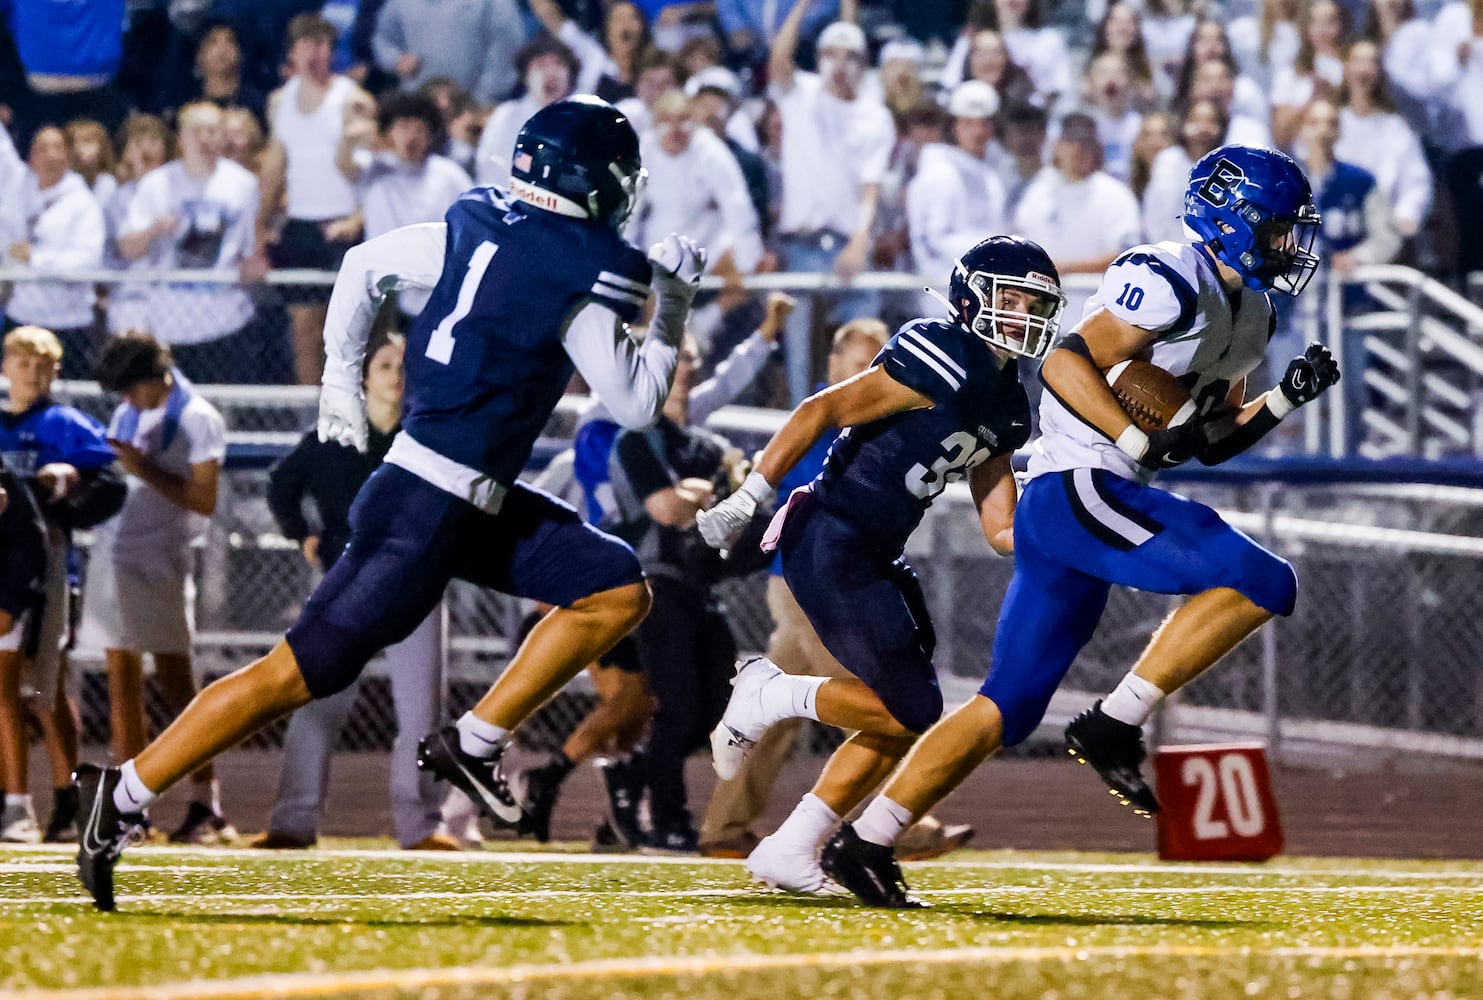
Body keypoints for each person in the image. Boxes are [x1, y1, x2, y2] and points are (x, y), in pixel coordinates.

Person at [73, 96, 706, 912]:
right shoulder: (581, 265)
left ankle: (473, 742)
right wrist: (676, 303)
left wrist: (339, 378)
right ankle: (120, 794)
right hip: (422, 509)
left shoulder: (478, 221)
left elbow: (363, 264)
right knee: (291, 676)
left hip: (454, 498)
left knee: (616, 585)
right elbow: (634, 401)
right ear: (594, 178)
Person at [819, 145, 1341, 908]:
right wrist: (1136, 439)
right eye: (1277, 231)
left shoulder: (1255, 312)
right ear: (1229, 220)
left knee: (1005, 705)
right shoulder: (1166, 275)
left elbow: (1208, 438)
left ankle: (862, 843)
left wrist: (1283, 402)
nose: (1290, 247)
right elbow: (1065, 361)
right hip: (1075, 486)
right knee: (1262, 577)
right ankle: (1111, 727)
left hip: (1096, 496)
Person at [695, 236, 1066, 894]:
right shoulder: (939, 350)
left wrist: (1065, 524)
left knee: (901, 714)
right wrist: (752, 493)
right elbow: (821, 409)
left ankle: (792, 846)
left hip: (878, 552)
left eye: (1035, 303)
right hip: (831, 535)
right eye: (1010, 300)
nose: (1024, 315)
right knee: (910, 710)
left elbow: (1000, 526)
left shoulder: (1011, 403)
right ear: (969, 298)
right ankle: (771, 694)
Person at [696, 317, 974, 864]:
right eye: (858, 362)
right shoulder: (832, 417)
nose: (872, 372)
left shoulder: (894, 407)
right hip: (809, 581)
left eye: (879, 359)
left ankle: (723, 826)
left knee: (779, 713)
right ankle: (900, 822)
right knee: (885, 699)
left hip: (828, 573)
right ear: (834, 366)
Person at [257, 331, 458, 851]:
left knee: (420, 712)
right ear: (366, 376)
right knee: (317, 700)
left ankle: (420, 827)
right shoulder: (334, 434)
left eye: (404, 367)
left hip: (415, 584)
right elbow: (282, 484)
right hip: (344, 584)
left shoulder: (428, 436)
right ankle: (293, 821)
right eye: (387, 364)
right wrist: (301, 534)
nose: (397, 375)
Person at [85, 332, 230, 844]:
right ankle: (132, 808)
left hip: (162, 559)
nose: (126, 401)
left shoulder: (198, 417)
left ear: (154, 378)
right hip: (116, 554)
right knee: (120, 673)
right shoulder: (130, 413)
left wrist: (141, 467)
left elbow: (205, 500)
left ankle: (205, 802)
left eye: (131, 389)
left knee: (176, 682)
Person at [0, 327, 122, 844]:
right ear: (5, 367)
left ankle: (68, 798)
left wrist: (71, 480)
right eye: (22, 361)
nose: (31, 371)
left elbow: (109, 485)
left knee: (45, 686)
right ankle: (17, 801)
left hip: (47, 564)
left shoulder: (67, 425)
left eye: (42, 363)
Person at [768, 3, 894, 403]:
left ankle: (864, 430)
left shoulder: (874, 115)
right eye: (831, 54)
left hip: (846, 246)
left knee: (864, 343)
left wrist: (860, 242)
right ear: (819, 58)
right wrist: (803, 5)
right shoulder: (799, 95)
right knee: (802, 363)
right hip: (801, 247)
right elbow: (779, 58)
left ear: (863, 64)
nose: (840, 64)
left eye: (851, 56)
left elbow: (869, 189)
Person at [260, 14, 376, 386]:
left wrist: (358, 216)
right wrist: (258, 227)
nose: (316, 52)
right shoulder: (280, 102)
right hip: (301, 224)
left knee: (349, 331)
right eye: (308, 44)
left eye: (324, 44)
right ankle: (310, 418)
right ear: (293, 52)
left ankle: (359, 413)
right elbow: (275, 166)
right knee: (303, 329)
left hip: (344, 222)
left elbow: (366, 171)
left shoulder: (352, 99)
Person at [116, 103, 269, 382]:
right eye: (196, 131)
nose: (204, 139)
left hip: (225, 320)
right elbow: (128, 247)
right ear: (180, 139)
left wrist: (254, 269)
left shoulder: (243, 184)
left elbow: (251, 248)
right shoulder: (156, 184)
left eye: (212, 131)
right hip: (168, 322)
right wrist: (154, 230)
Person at [1, 126, 106, 380]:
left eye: (57, 147)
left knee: (71, 396)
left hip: (68, 324)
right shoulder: (18, 191)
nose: (50, 155)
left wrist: (36, 258)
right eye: (42, 148)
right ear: (31, 157)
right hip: (22, 317)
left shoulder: (83, 204)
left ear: (68, 157)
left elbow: (87, 264)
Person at [905, 81, 1007, 282]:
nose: (978, 132)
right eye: (968, 123)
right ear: (954, 127)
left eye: (984, 123)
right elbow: (936, 241)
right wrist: (998, 249)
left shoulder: (991, 176)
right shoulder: (939, 173)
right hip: (943, 290)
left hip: (984, 287)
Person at [371, 0, 523, 105]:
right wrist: (395, 58)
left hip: (473, 107)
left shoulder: (493, 3)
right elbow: (382, 37)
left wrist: (484, 98)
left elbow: (506, 46)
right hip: (420, 107)